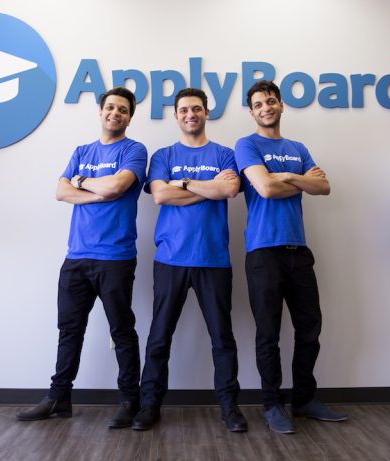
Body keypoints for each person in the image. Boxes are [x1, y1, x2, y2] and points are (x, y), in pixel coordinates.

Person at [16, 87, 147, 429]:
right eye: (110, 107)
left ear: (129, 117)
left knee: (121, 330)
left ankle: (129, 400)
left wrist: (83, 183)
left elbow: (118, 187)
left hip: (116, 257)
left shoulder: (134, 150)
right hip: (76, 257)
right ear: (101, 112)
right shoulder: (82, 150)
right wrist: (95, 192)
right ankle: (59, 398)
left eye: (122, 109)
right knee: (69, 330)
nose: (115, 113)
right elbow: (61, 191)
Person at [234, 80, 347, 434]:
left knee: (309, 328)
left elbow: (324, 187)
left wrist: (285, 175)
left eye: (271, 101)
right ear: (251, 112)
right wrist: (299, 180)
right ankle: (271, 404)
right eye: (258, 104)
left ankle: (303, 399)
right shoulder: (246, 144)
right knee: (268, 333)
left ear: (281, 106)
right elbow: (264, 188)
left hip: (299, 251)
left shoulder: (297, 147)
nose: (265, 107)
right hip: (263, 252)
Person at [131, 88, 246, 433]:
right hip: (170, 258)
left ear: (206, 113)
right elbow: (161, 195)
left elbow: (227, 190)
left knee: (222, 338)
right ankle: (149, 405)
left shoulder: (225, 154)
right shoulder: (163, 155)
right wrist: (202, 186)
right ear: (176, 115)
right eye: (184, 110)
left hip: (214, 259)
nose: (190, 114)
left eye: (196, 109)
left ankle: (229, 407)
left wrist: (182, 185)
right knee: (159, 337)